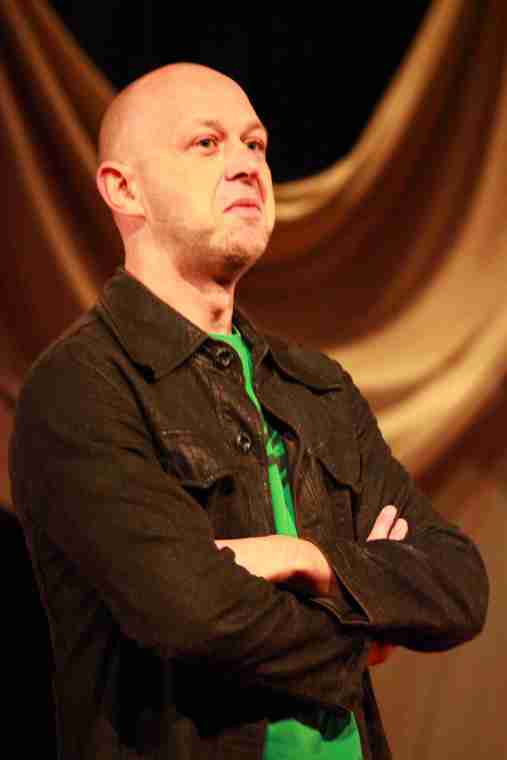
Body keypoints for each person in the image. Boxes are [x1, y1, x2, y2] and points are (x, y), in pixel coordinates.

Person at [9, 62, 488, 760]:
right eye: (207, 143)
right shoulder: (83, 386)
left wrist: (305, 558)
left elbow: (458, 583)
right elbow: (193, 613)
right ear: (123, 188)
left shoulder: (313, 387)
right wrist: (367, 621)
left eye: (255, 144)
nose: (246, 166)